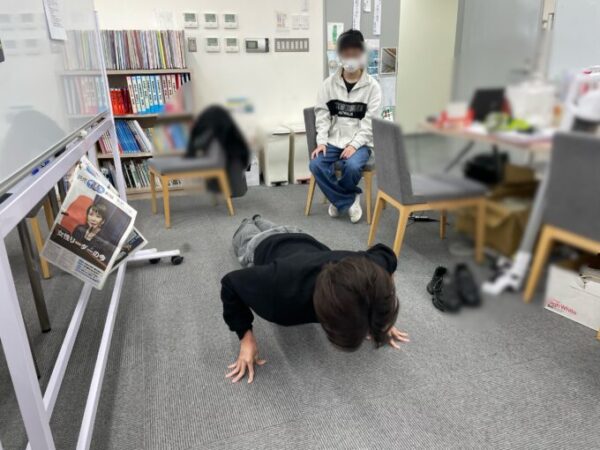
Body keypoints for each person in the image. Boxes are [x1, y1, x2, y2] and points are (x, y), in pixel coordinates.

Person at [221, 216, 409, 384]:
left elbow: (387, 255)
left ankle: (258, 218)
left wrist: (379, 316)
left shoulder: (367, 266)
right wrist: (246, 340)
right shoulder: (278, 292)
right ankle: (249, 220)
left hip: (300, 235)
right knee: (247, 226)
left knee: (264, 221)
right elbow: (231, 283)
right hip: (260, 243)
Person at [309, 29, 382, 223]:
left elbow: (370, 124)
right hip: (334, 140)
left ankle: (338, 199)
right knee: (316, 164)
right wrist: (322, 142)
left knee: (352, 166)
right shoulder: (328, 84)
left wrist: (354, 145)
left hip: (361, 143)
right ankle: (348, 199)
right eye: (346, 54)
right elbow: (322, 115)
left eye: (354, 54)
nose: (350, 59)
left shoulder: (373, 87)